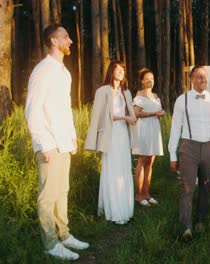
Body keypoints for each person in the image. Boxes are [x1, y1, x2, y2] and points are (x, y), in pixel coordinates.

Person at [25, 24, 89, 261]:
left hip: (63, 144)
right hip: (49, 145)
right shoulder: (42, 71)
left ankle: (64, 235)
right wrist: (43, 144)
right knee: (47, 196)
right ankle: (50, 244)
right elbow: (32, 110)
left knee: (62, 191)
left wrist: (72, 138)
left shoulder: (64, 72)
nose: (70, 40)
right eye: (66, 37)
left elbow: (64, 110)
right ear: (53, 40)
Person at [168, 66, 210, 240]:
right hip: (188, 147)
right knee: (187, 188)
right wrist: (172, 155)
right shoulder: (182, 100)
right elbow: (175, 128)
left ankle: (201, 219)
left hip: (209, 147)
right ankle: (186, 226)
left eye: (205, 77)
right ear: (191, 79)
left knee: (205, 185)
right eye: (199, 77)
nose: (203, 80)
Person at [84, 61, 137, 225]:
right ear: (111, 71)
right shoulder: (102, 91)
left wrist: (131, 118)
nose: (121, 72)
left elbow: (131, 113)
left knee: (124, 168)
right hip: (110, 134)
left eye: (123, 70)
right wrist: (124, 117)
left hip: (123, 134)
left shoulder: (126, 92)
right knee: (113, 169)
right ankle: (114, 211)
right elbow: (100, 117)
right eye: (117, 69)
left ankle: (125, 209)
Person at [132, 68, 166, 207]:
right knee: (142, 160)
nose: (149, 81)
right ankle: (138, 195)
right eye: (146, 79)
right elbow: (136, 113)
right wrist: (154, 114)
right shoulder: (139, 95)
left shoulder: (156, 96)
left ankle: (147, 193)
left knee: (150, 161)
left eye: (151, 78)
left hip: (154, 129)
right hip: (143, 129)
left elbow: (157, 112)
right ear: (142, 81)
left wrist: (160, 114)